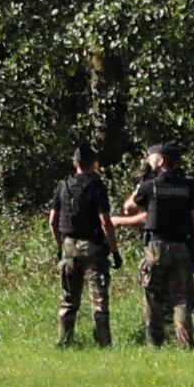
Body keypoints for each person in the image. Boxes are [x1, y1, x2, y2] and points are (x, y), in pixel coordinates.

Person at [115, 142, 194, 351]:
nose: (149, 160)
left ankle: (154, 344)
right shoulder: (191, 186)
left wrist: (141, 185)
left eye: (151, 157)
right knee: (182, 298)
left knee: (153, 297)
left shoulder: (150, 186)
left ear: (161, 161)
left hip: (155, 247)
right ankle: (185, 344)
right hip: (183, 247)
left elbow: (128, 207)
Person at [52, 145, 120, 350]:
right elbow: (105, 221)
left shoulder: (62, 186)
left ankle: (64, 341)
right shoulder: (97, 186)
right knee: (98, 300)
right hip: (93, 248)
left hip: (69, 246)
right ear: (94, 163)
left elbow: (52, 222)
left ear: (75, 163)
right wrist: (114, 249)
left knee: (68, 300)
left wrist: (60, 246)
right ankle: (103, 344)